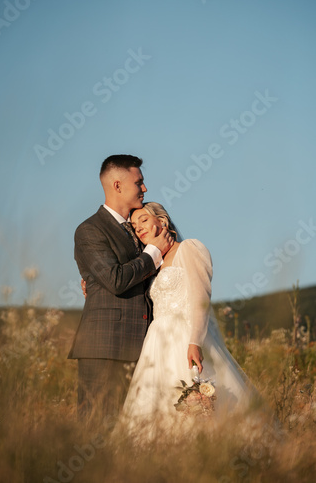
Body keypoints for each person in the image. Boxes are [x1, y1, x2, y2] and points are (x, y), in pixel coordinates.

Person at [119, 202, 256, 441]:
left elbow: (200, 298)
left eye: (143, 219)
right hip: (156, 344)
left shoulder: (189, 249)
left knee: (197, 405)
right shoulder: (153, 263)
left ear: (162, 221)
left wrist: (195, 341)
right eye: (133, 225)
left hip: (184, 337)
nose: (138, 227)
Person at [68, 156, 173, 423]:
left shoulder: (140, 231)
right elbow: (115, 279)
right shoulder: (90, 230)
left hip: (144, 351)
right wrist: (153, 252)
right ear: (117, 185)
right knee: (96, 432)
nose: (145, 188)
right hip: (105, 349)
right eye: (139, 182)